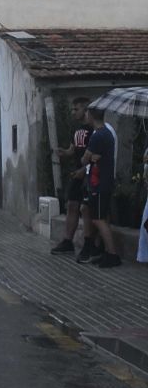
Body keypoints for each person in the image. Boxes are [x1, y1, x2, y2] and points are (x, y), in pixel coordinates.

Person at [51, 98, 93, 255]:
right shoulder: (75, 128)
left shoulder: (92, 129)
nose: (73, 112)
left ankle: (91, 244)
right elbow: (72, 150)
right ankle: (68, 241)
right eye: (72, 109)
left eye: (76, 109)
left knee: (87, 208)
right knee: (71, 205)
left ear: (85, 109)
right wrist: (64, 152)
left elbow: (96, 154)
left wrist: (85, 169)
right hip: (77, 172)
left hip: (88, 172)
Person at [81, 107, 122, 268]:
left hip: (99, 184)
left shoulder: (98, 136)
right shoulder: (107, 133)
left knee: (98, 219)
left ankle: (112, 254)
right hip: (104, 182)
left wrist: (89, 157)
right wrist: (92, 157)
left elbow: (84, 160)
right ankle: (105, 251)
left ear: (90, 115)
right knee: (101, 217)